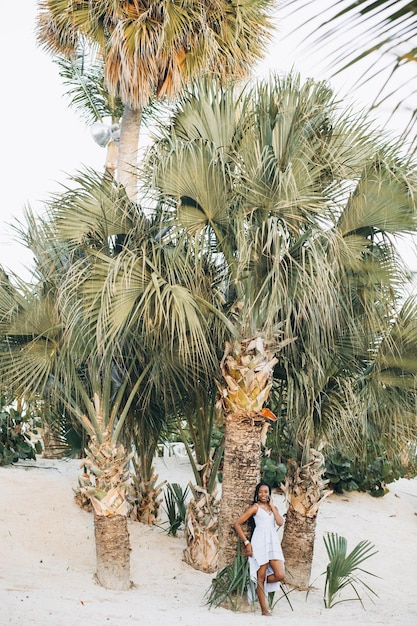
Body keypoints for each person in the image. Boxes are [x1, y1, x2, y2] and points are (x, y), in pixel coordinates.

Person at [234, 481, 285, 617]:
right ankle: (264, 610)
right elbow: (237, 524)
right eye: (260, 492)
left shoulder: (273, 508)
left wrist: (273, 506)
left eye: (266, 492)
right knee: (260, 577)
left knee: (280, 575)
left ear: (269, 494)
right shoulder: (255, 508)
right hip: (259, 543)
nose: (263, 494)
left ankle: (258, 585)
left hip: (273, 543)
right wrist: (246, 542)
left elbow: (280, 522)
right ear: (257, 494)